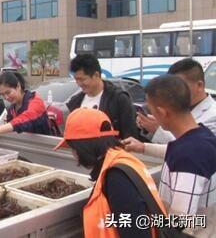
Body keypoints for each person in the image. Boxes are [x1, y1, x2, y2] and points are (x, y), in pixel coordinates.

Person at [123, 75, 216, 237]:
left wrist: (140, 220)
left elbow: (180, 223)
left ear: (162, 112)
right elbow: (176, 150)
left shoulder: (188, 157)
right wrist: (142, 147)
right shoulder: (201, 135)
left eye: (151, 110)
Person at [54, 108, 166, 238]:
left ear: (82, 146)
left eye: (72, 148)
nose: (73, 154)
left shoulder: (117, 178)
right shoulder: (119, 162)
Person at [137, 58, 216, 143]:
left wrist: (157, 130)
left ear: (200, 85)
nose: (173, 91)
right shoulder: (175, 108)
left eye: (180, 86)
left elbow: (194, 146)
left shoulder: (213, 115)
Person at [67, 54, 138, 139]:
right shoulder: (75, 102)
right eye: (76, 79)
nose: (79, 84)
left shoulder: (119, 99)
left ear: (96, 75)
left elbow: (130, 136)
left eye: (82, 79)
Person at [0, 72, 50, 139]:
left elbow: (25, 119)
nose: (6, 97)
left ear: (18, 86)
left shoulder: (35, 101)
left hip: (44, 147)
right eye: (3, 95)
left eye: (8, 92)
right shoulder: (12, 109)